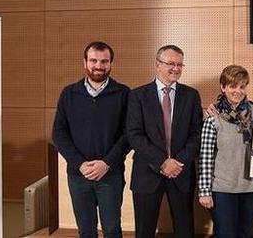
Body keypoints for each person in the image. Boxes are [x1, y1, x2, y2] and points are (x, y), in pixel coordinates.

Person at [52, 41, 130, 238]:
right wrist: (79, 164)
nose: (99, 65)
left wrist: (106, 163)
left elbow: (129, 134)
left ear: (111, 64)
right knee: (86, 231)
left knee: (112, 230)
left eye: (104, 61)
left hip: (110, 175)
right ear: (84, 62)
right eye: (94, 60)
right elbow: (59, 134)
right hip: (79, 175)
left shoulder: (124, 93)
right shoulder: (69, 93)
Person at [126, 45, 203, 238]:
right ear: (157, 65)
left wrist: (176, 163)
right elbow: (134, 134)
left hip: (181, 171)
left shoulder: (191, 95)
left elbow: (196, 134)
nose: (176, 68)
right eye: (171, 63)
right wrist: (163, 162)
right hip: (147, 172)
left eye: (179, 64)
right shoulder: (137, 96)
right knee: (144, 231)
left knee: (185, 230)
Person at [198, 65, 253, 238]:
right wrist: (204, 191)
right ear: (223, 87)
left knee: (244, 233)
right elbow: (206, 157)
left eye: (242, 86)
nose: (238, 91)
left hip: (251, 188)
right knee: (226, 234)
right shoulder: (213, 117)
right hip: (223, 189)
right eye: (233, 86)